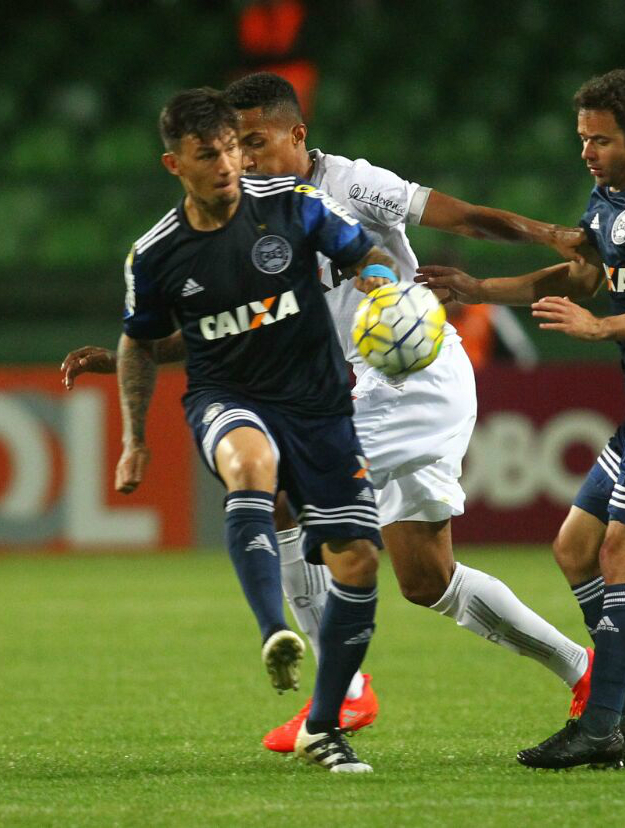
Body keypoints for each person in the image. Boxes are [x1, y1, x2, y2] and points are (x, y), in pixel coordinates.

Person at [64, 72, 594, 754]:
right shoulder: (254, 212)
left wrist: (549, 232)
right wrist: (128, 355)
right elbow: (224, 321)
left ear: (298, 135)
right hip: (373, 381)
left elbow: (461, 217)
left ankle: (339, 697)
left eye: (254, 143)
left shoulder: (350, 185)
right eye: (233, 146)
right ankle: (584, 670)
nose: (244, 160)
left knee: (278, 486)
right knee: (426, 578)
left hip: (411, 373)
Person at [419, 69, 625, 770]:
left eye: (601, 140)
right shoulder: (608, 199)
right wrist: (479, 291)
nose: (587, 152)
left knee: (623, 556)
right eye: (583, 139)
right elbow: (578, 276)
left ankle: (599, 728)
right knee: (574, 546)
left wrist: (602, 330)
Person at [119, 87, 393, 771]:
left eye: (233, 150)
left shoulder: (297, 208)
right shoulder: (155, 256)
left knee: (358, 561)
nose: (226, 165)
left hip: (320, 406)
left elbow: (366, 257)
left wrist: (385, 292)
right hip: (228, 396)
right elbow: (139, 343)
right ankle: (276, 632)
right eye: (207, 154)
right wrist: (134, 437)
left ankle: (323, 724)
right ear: (173, 164)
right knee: (250, 468)